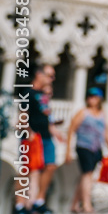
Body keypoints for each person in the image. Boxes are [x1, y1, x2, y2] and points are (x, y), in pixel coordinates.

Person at [16, 66, 57, 214]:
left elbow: (46, 116)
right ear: (38, 74)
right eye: (49, 76)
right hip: (32, 137)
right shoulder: (28, 93)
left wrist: (55, 130)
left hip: (46, 136)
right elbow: (22, 116)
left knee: (51, 166)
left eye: (53, 77)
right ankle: (20, 205)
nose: (51, 79)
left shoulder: (43, 95)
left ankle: (39, 200)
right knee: (27, 170)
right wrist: (29, 132)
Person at [66, 88, 108, 213]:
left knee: (86, 176)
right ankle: (86, 205)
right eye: (90, 96)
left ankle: (74, 204)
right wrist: (67, 151)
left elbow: (106, 131)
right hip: (84, 146)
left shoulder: (102, 113)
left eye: (94, 97)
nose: (92, 99)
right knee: (87, 175)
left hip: (97, 148)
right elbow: (71, 129)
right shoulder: (83, 113)